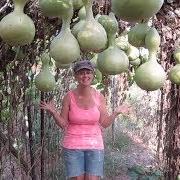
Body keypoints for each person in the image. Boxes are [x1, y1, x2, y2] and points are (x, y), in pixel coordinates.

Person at [40, 60, 130, 180]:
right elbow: (63, 124)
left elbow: (104, 123)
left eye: (88, 72)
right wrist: (53, 112)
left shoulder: (99, 97)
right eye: (81, 73)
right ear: (76, 76)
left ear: (93, 75)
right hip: (72, 146)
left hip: (95, 146)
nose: (85, 76)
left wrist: (116, 113)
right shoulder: (68, 97)